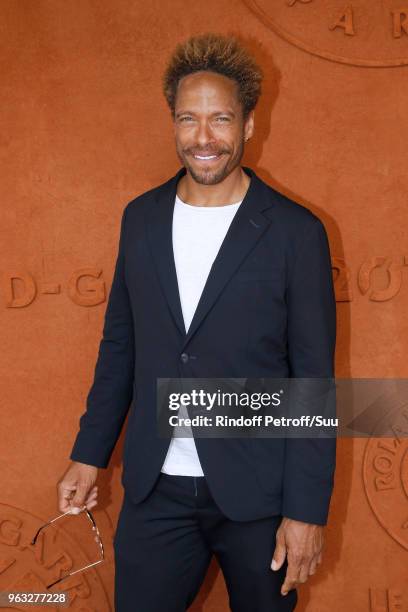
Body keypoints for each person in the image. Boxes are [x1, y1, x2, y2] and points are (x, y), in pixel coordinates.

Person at [57, 32, 337, 612]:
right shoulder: (141, 220)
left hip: (259, 498)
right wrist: (89, 454)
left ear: (249, 124)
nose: (203, 137)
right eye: (188, 119)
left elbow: (313, 381)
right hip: (156, 492)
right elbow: (120, 349)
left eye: (221, 119)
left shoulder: (296, 233)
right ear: (174, 123)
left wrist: (306, 510)